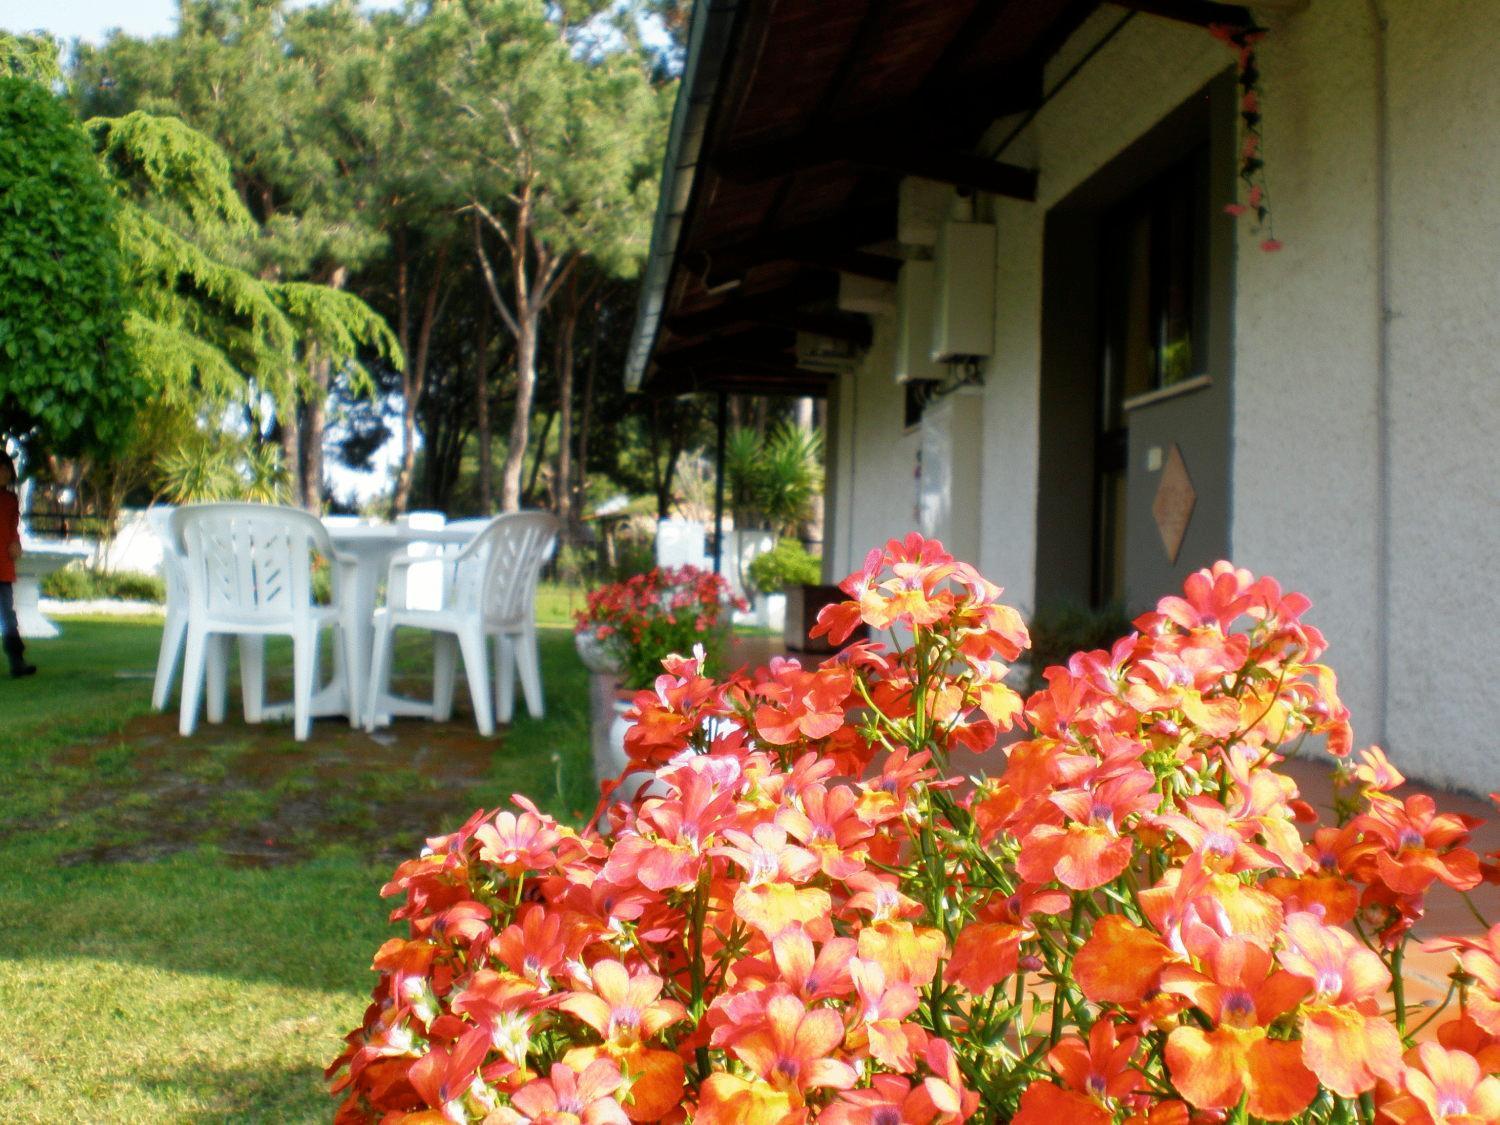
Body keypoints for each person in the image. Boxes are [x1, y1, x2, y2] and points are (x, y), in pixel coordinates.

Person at [0, 451, 36, 678]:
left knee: (7, 615)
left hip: (3, 564)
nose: (3, 473)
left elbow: (12, 529)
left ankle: (17, 661)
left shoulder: (11, 499)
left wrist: (17, 544)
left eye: (5, 468)